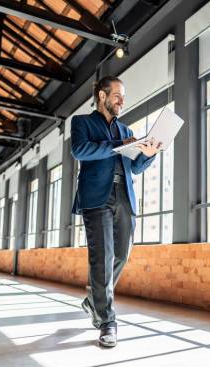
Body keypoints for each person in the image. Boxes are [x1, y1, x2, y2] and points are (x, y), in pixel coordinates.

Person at [71, 75, 161, 347]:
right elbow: (80, 150)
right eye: (117, 95)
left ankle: (93, 301)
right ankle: (107, 322)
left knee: (121, 254)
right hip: (96, 198)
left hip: (124, 197)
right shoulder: (82, 123)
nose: (122, 100)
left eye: (123, 96)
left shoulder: (126, 130)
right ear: (101, 95)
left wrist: (149, 152)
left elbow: (134, 167)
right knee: (102, 258)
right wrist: (117, 147)